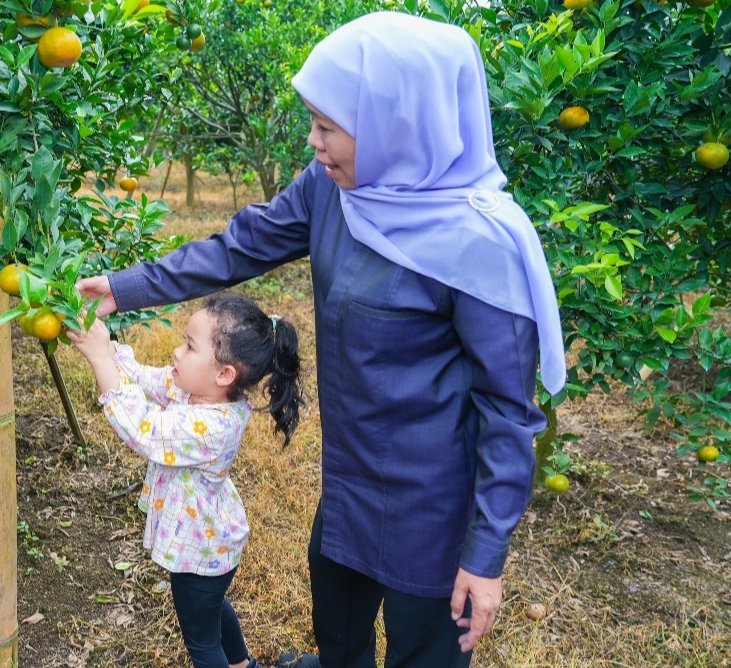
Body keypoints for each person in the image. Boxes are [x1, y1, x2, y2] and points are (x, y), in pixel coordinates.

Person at [76, 11, 567, 668]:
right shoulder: (333, 192)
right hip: (350, 475)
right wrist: (124, 287)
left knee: (424, 651)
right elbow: (239, 247)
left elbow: (506, 410)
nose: (313, 142)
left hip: (432, 501)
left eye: (328, 127)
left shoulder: (478, 245)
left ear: (395, 125)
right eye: (313, 121)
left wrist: (484, 555)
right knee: (338, 631)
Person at [67, 294, 304, 668]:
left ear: (224, 374)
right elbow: (147, 378)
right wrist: (108, 351)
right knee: (212, 609)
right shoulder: (200, 391)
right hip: (207, 542)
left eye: (190, 346)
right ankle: (243, 664)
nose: (177, 353)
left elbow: (146, 430)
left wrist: (100, 360)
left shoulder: (212, 425)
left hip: (201, 551)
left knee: (202, 643)